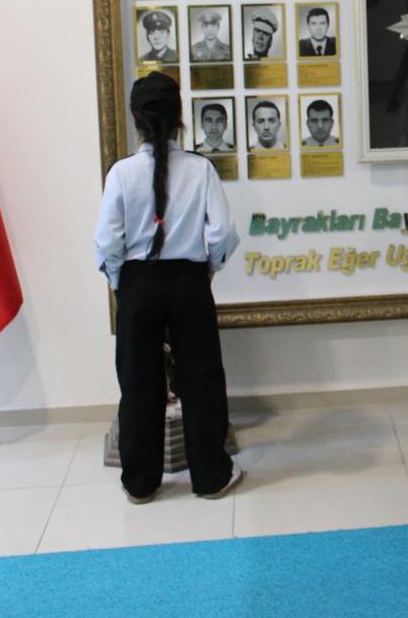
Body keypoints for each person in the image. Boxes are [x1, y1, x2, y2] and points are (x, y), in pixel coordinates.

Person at [93, 72, 240, 504]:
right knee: (202, 378)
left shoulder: (121, 173)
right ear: (180, 118)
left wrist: (121, 283)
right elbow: (223, 233)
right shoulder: (201, 169)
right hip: (189, 281)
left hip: (138, 283)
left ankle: (140, 483)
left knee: (138, 381)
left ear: (136, 120)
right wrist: (209, 268)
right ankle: (210, 477)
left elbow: (106, 241)